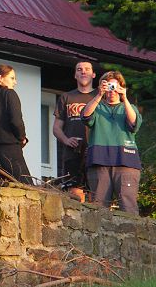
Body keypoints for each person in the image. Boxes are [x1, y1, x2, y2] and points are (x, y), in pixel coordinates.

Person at [80, 70, 143, 215]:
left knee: (128, 207)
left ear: (122, 87)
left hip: (126, 161)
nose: (112, 91)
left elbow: (134, 124)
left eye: (115, 87)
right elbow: (85, 116)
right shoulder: (97, 106)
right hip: (99, 161)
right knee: (98, 208)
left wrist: (124, 98)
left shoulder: (129, 107)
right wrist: (99, 95)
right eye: (109, 86)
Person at [52, 61, 97, 199]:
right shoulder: (66, 97)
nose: (83, 71)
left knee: (96, 193)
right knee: (75, 193)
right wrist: (66, 140)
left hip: (95, 151)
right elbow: (56, 128)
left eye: (87, 69)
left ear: (93, 74)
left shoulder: (99, 96)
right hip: (72, 152)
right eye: (79, 69)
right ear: (75, 75)